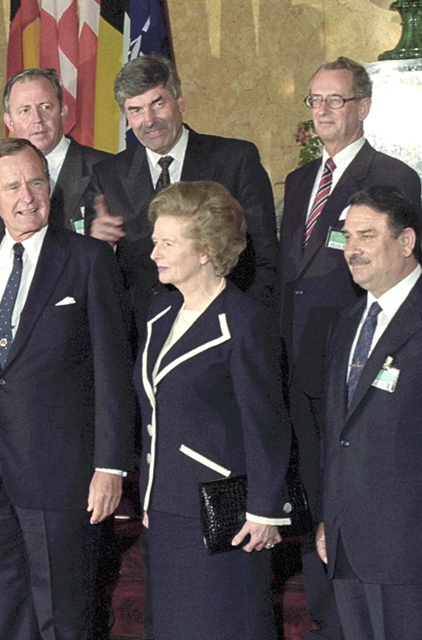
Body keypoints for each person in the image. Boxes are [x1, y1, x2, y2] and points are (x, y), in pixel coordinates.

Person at [0, 138, 133, 640]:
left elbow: (114, 370)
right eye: (12, 186)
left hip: (62, 474)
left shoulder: (89, 260)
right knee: (8, 616)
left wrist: (110, 466)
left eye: (36, 181)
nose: (27, 196)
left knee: (65, 615)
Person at [279, 57, 422, 640]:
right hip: (308, 366)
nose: (323, 111)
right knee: (322, 491)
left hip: (375, 363)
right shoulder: (296, 182)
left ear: (363, 105)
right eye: (314, 100)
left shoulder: (393, 177)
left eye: (335, 100)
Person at [137, 180, 290, 640]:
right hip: (162, 507)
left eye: (168, 243)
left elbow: (266, 422)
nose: (154, 254)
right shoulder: (158, 314)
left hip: (222, 511)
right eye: (154, 241)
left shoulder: (245, 321)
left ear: (205, 250)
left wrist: (265, 510)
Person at [84, 54, 279, 342]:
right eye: (135, 110)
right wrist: (100, 248)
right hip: (144, 338)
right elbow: (99, 277)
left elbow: (265, 255)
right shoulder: (107, 175)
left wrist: (248, 324)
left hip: (225, 330)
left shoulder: (235, 160)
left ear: (181, 102)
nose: (149, 120)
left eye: (157, 103)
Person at [316, 186, 422, 639]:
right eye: (347, 237)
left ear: (406, 241)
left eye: (367, 235)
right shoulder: (347, 322)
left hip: (408, 547)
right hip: (346, 543)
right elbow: (336, 434)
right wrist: (328, 516)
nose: (352, 249)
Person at [0, 68, 110, 238]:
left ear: (63, 113)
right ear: (10, 122)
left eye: (45, 107)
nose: (37, 118)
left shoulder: (105, 169)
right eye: (25, 110)